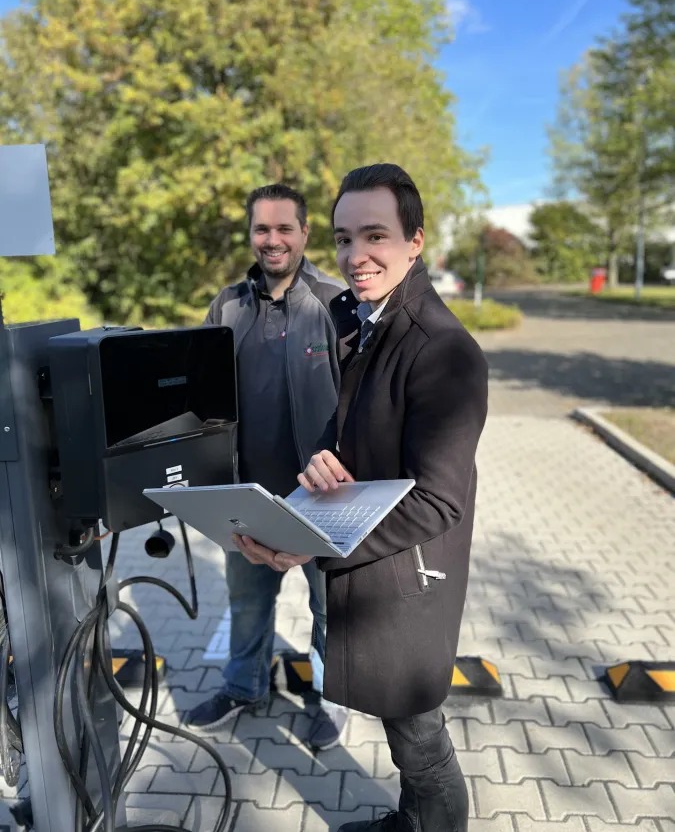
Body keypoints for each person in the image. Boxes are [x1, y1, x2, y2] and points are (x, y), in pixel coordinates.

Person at [234, 164, 489, 831]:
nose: (354, 256)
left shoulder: (444, 351)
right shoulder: (356, 319)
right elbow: (344, 430)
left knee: (419, 737)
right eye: (345, 238)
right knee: (403, 735)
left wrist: (310, 540)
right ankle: (409, 821)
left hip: (409, 575)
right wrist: (322, 463)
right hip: (367, 566)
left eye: (374, 235)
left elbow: (438, 501)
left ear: (415, 241)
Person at [186, 183, 349, 750]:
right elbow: (205, 400)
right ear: (251, 234)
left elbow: (361, 401)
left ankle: (331, 698)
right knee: (248, 601)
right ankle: (243, 687)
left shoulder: (335, 301)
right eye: (262, 229)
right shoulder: (228, 305)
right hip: (247, 494)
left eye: (285, 228)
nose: (272, 240)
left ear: (305, 232)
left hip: (322, 500)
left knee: (329, 609)